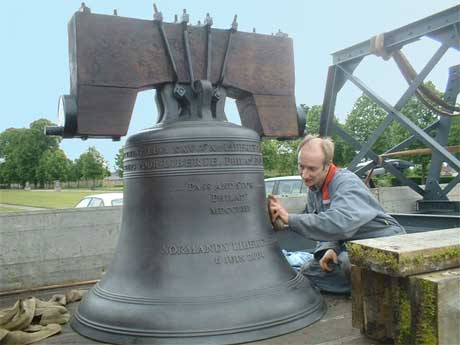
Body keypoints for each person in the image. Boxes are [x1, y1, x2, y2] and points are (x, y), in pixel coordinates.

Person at [268, 135, 405, 293]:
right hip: (353, 244)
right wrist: (331, 247)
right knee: (308, 270)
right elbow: (323, 222)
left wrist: (289, 218)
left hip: (388, 240)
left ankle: (379, 291)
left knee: (349, 262)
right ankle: (369, 286)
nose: (304, 175)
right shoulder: (315, 189)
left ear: (327, 166)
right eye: (301, 166)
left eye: (312, 169)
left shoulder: (347, 184)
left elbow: (339, 223)